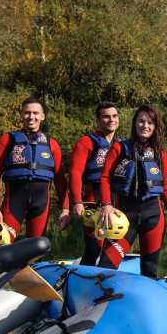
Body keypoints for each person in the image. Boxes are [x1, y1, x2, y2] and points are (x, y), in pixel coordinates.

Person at [98, 105, 167, 278]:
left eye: (150, 122)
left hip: (153, 216)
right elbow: (105, 178)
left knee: (150, 270)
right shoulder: (119, 148)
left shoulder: (160, 154)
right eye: (141, 121)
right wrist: (106, 205)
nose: (145, 125)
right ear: (135, 124)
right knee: (107, 266)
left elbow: (166, 188)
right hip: (124, 215)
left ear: (155, 126)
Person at [0, 96, 70, 242]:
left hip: (41, 204)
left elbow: (60, 181)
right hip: (14, 202)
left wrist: (65, 209)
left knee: (36, 247)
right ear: (21, 115)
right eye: (27, 113)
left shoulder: (52, 145)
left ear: (42, 116)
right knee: (1, 242)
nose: (31, 117)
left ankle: (30, 265)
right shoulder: (7, 140)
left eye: (36, 113)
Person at [69, 101, 120, 265]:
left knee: (114, 246)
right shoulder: (86, 142)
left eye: (114, 116)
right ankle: (83, 281)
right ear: (98, 120)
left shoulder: (122, 145)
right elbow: (75, 173)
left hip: (117, 198)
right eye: (106, 117)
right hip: (93, 198)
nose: (111, 120)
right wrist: (77, 202)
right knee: (94, 247)